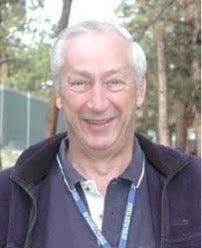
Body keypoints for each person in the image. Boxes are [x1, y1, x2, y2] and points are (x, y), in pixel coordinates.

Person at [0, 20, 200, 248]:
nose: (97, 103)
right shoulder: (9, 197)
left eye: (114, 82)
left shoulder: (194, 185)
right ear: (58, 93)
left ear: (140, 90)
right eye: (79, 83)